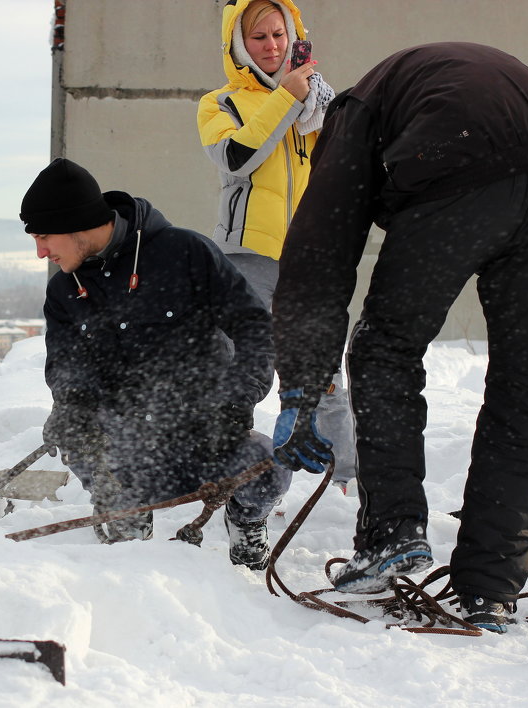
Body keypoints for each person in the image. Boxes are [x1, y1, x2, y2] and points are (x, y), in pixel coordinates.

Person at [269, 43, 528, 632]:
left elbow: (319, 257)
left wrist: (301, 386)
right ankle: (491, 587)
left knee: (383, 348)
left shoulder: (352, 115)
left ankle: (391, 534)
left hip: (461, 159)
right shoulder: (429, 82)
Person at [24, 157, 290, 568]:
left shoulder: (185, 252)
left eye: (44, 237)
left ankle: (246, 522)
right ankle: (126, 528)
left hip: (204, 431)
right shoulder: (64, 290)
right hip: (128, 446)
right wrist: (71, 408)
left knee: (269, 467)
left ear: (76, 224)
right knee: (85, 447)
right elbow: (65, 367)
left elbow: (255, 327)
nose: (41, 252)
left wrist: (235, 403)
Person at [196, 0, 357, 490]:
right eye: (259, 38)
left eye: (279, 35)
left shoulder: (321, 102)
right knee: (237, 360)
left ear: (294, 36)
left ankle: (350, 478)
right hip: (248, 255)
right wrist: (285, 98)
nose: (272, 46)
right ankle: (220, 464)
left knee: (322, 364)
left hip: (310, 254)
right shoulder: (219, 104)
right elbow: (236, 157)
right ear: (239, 46)